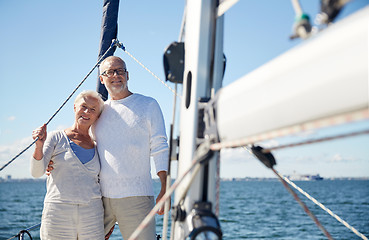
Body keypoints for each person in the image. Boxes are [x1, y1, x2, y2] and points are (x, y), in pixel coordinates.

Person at [93, 56, 169, 240]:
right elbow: (84, 143)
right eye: (110, 72)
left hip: (137, 198)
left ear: (127, 75)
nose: (116, 75)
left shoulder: (148, 105)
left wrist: (165, 189)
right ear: (102, 79)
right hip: (99, 199)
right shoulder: (98, 111)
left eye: (120, 70)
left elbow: (160, 147)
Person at [31, 90, 105, 240]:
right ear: (74, 108)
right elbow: (36, 172)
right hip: (58, 213)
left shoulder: (99, 146)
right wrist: (39, 146)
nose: (86, 112)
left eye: (92, 109)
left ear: (97, 116)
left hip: (92, 214)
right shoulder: (56, 137)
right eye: (83, 106)